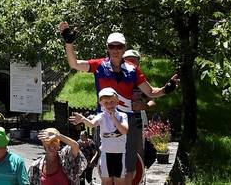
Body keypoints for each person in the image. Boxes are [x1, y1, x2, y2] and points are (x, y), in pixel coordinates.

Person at [58, 23, 177, 185]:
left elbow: (150, 92)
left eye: (119, 46)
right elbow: (74, 64)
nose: (115, 50)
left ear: (124, 48)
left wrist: (166, 89)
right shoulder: (99, 66)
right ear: (107, 48)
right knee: (106, 171)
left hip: (127, 122)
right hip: (105, 123)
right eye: (112, 46)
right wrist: (69, 43)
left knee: (129, 169)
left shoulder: (133, 69)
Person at [68, 89, 126, 185]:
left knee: (119, 182)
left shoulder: (122, 115)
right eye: (106, 103)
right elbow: (91, 124)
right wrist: (83, 119)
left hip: (120, 154)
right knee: (106, 181)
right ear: (101, 104)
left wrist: (113, 118)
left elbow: (124, 130)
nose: (109, 105)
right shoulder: (101, 116)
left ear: (117, 102)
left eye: (112, 102)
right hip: (106, 153)